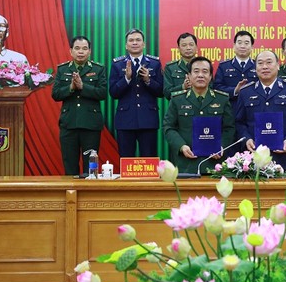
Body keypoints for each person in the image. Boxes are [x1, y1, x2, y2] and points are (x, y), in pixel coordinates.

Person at [235, 50, 286, 167]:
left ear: (278, 66)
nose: (264, 66)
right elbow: (239, 122)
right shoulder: (245, 91)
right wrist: (246, 139)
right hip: (253, 159)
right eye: (260, 63)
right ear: (255, 68)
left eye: (269, 62)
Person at [163, 56, 235, 174]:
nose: (200, 75)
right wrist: (181, 146)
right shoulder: (177, 99)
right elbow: (169, 127)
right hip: (186, 164)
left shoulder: (222, 99)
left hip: (214, 165)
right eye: (196, 71)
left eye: (205, 71)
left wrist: (221, 146)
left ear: (211, 77)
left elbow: (229, 128)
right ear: (189, 76)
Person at [51, 36, 107, 176]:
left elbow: (102, 93)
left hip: (91, 124)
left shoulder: (98, 69)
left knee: (91, 167)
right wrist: (70, 87)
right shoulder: (63, 69)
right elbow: (55, 94)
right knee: (70, 165)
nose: (80, 52)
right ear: (71, 51)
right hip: (69, 123)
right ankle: (71, 195)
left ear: (89, 51)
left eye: (84, 48)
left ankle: (91, 196)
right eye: (77, 48)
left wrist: (83, 86)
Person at [109, 28, 163, 157]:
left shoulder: (154, 63)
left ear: (144, 44)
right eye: (131, 40)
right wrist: (126, 79)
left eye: (138, 40)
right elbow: (113, 93)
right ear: (126, 45)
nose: (135, 43)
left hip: (148, 119)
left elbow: (161, 91)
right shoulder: (117, 64)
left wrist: (148, 80)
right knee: (126, 161)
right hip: (125, 120)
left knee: (149, 161)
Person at [213, 30, 258, 99]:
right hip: (230, 107)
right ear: (234, 46)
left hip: (252, 106)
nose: (242, 46)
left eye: (246, 43)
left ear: (252, 47)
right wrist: (234, 90)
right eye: (239, 43)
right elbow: (217, 88)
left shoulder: (258, 66)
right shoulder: (224, 66)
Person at [164, 32, 198, 100]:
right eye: (184, 45)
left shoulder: (204, 66)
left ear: (196, 47)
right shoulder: (170, 67)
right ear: (178, 49)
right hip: (178, 108)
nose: (188, 48)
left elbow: (211, 89)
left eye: (191, 45)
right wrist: (182, 87)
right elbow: (167, 93)